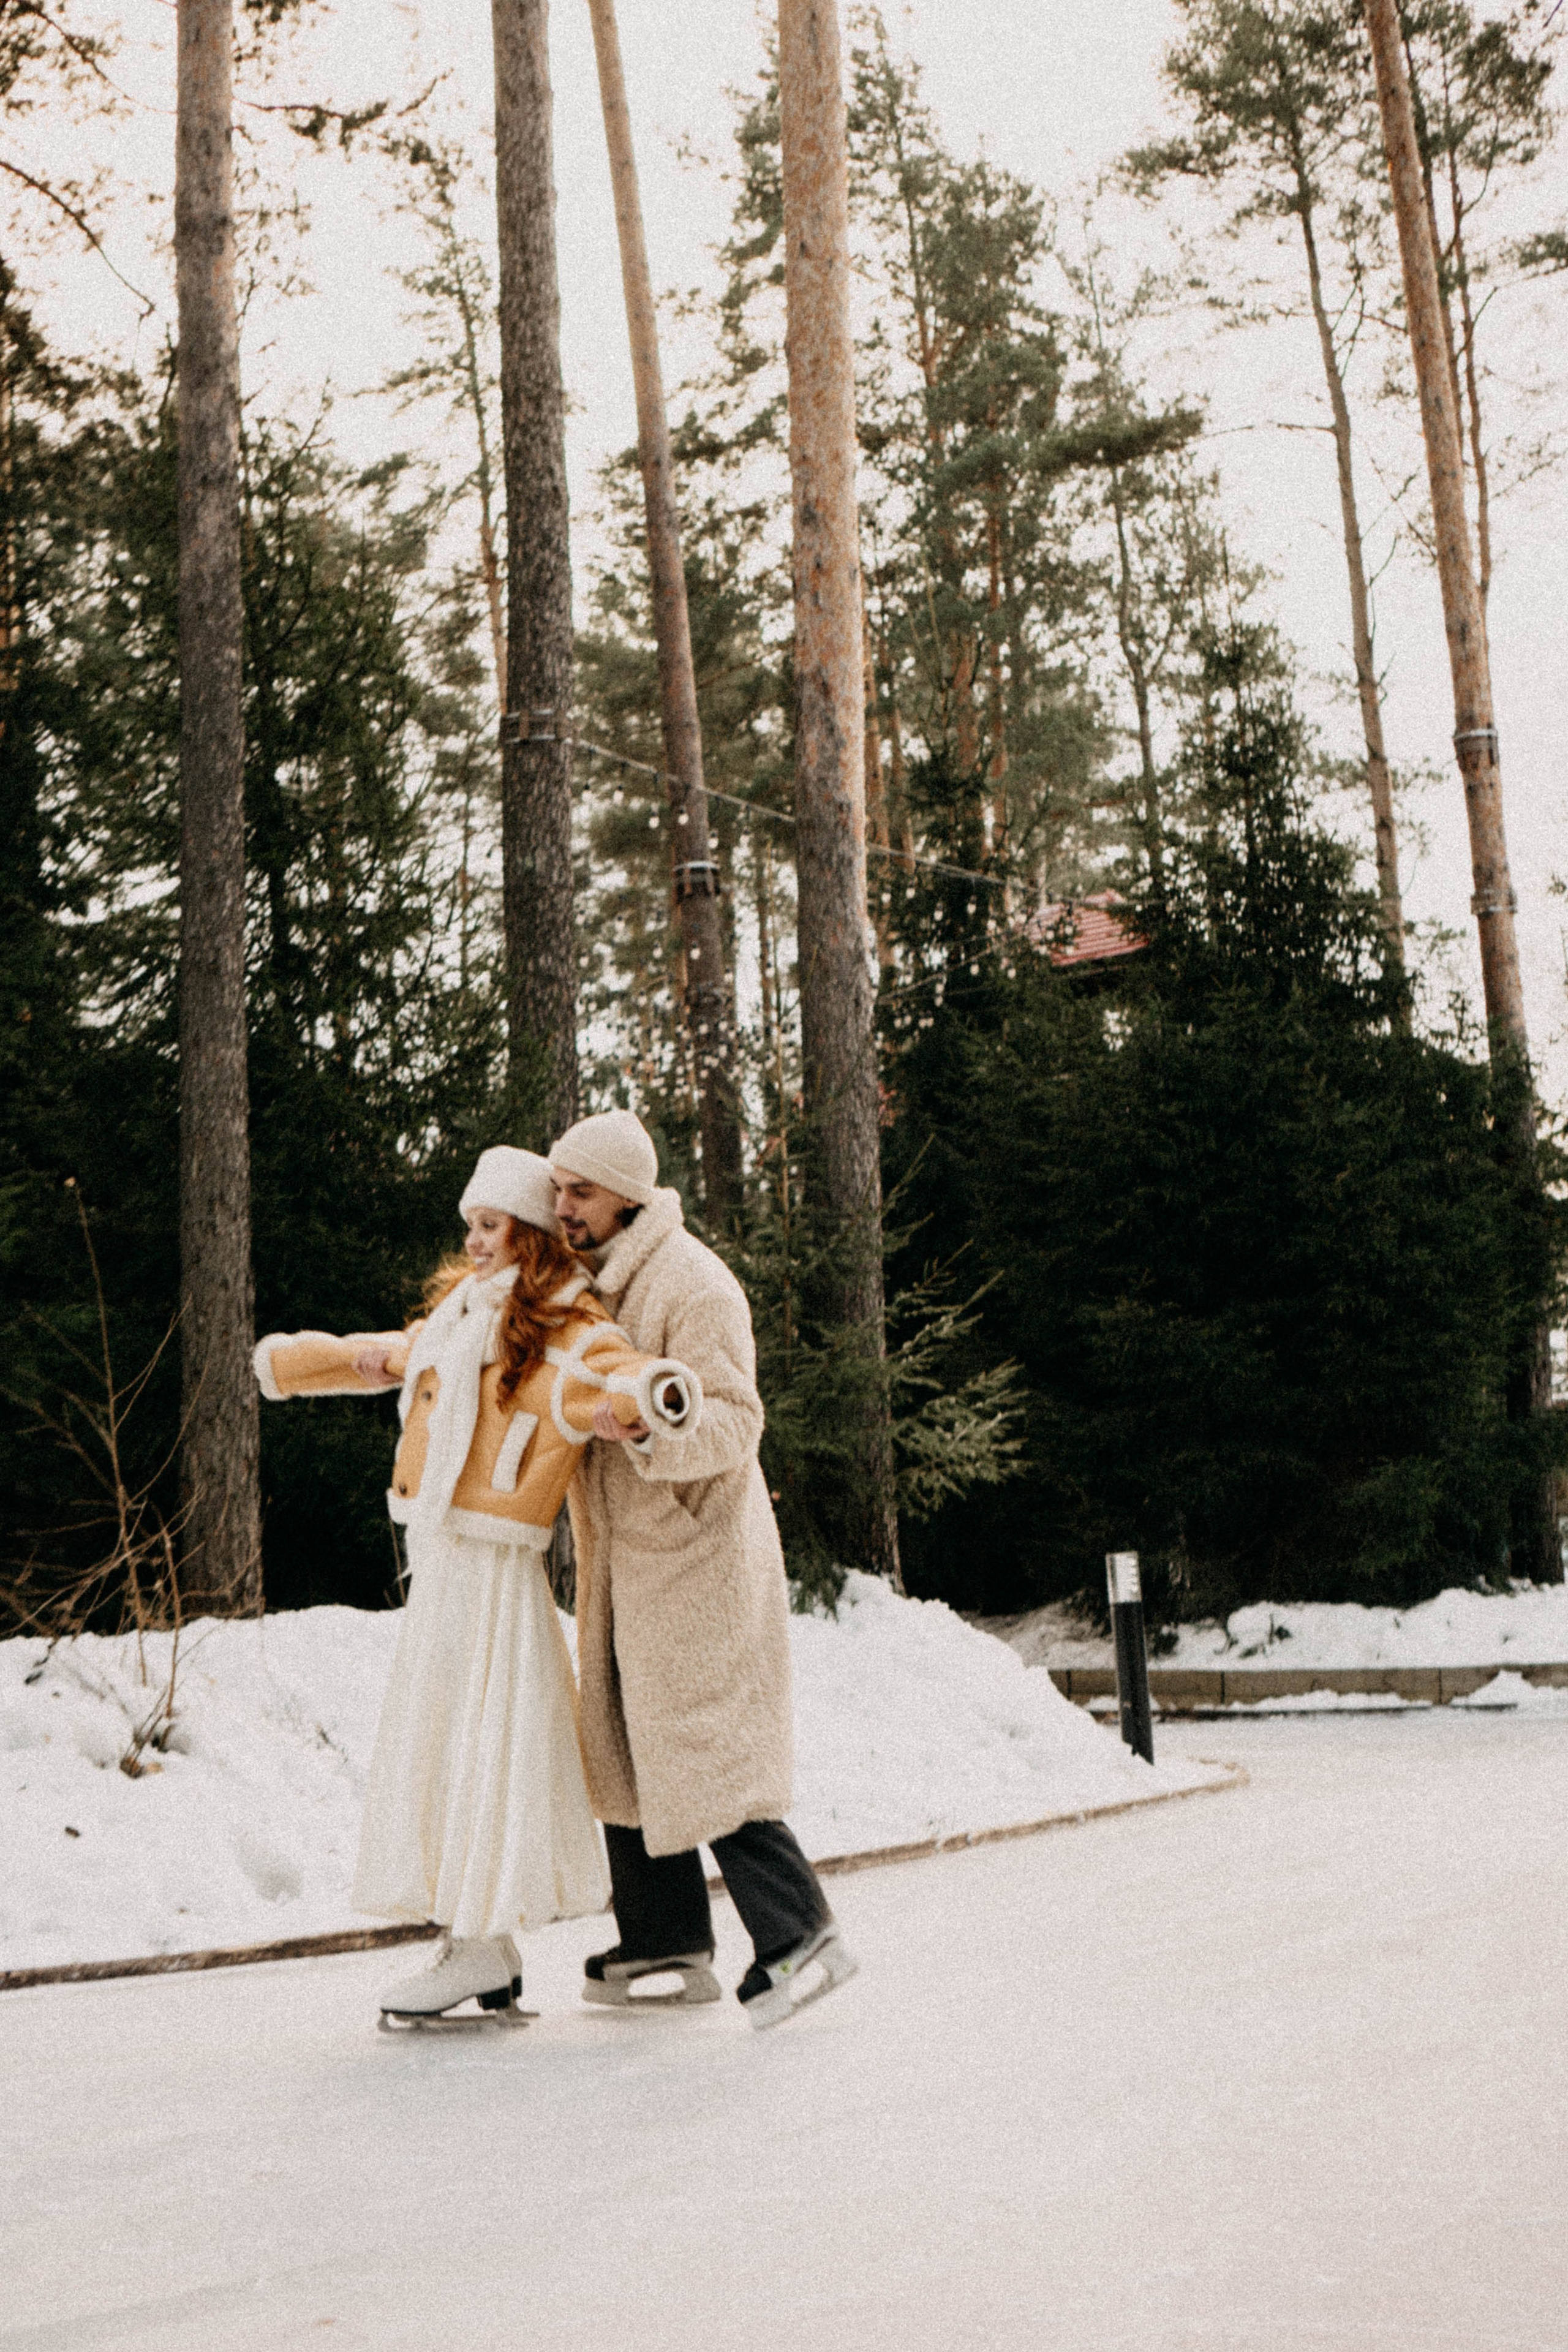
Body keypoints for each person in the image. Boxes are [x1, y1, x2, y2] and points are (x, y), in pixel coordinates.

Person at [252, 1145, 703, 2030]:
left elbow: (611, 1374)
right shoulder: (462, 1317)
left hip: (494, 1575)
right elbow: (380, 1356)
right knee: (451, 1745)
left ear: (531, 1235)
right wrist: (285, 1365)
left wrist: (652, 1395)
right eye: (470, 1226)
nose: (474, 1241)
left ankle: (481, 1940)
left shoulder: (564, 1328)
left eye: (490, 1226)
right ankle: (480, 1946)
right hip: (448, 1563)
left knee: (482, 1748)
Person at [549, 1109, 857, 2030]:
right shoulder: (588, 1282)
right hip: (623, 1557)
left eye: (582, 1192)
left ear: (627, 1199)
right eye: (559, 1189)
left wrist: (647, 1425)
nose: (563, 1207)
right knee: (624, 1741)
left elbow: (734, 1421)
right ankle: (664, 1933)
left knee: (705, 1746)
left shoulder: (695, 1286)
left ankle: (801, 1932)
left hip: (696, 1561)